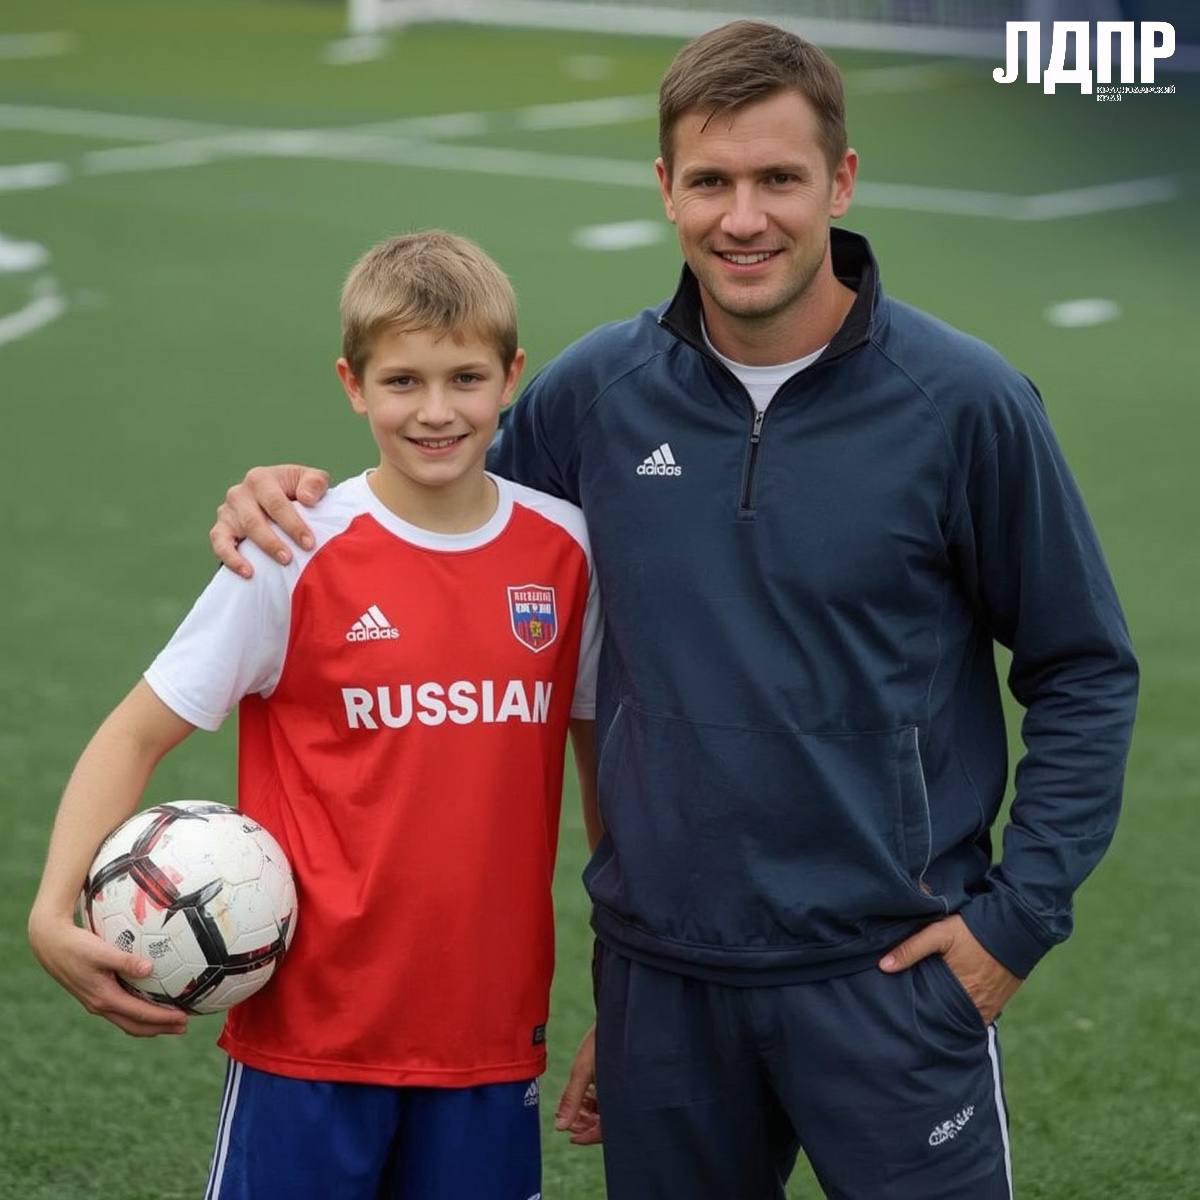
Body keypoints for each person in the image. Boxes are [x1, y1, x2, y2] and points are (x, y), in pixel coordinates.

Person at [208, 21, 1138, 1200]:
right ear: (666, 189)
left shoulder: (964, 403)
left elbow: (1083, 666)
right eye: (710, 182)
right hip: (664, 992)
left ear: (841, 181)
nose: (742, 218)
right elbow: (437, 508)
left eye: (778, 179)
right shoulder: (595, 396)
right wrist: (290, 496)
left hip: (892, 979)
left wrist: (1016, 922)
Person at [27, 230, 603, 1200]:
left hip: (493, 1036)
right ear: (352, 385)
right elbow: (135, 731)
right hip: (309, 1039)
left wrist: (624, 989)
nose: (435, 411)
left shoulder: (565, 551)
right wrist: (52, 909)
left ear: (511, 377)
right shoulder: (291, 549)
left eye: (465, 379)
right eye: (402, 381)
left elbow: (607, 774)